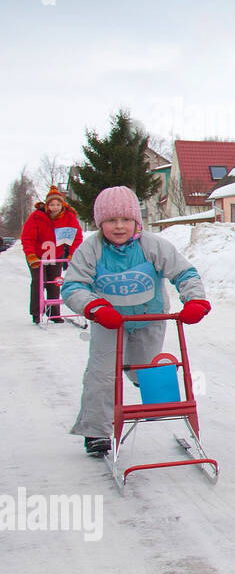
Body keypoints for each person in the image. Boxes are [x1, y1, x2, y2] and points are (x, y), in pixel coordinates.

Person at [60, 186, 210, 456]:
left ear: (136, 221)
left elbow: (185, 272)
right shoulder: (90, 249)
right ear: (100, 223)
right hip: (108, 320)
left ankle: (165, 410)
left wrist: (195, 300)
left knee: (146, 370)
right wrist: (93, 307)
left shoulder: (152, 245)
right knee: (102, 374)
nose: (119, 227)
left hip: (149, 319)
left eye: (125, 220)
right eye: (111, 221)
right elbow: (73, 286)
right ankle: (96, 431)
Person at [21, 186, 83, 324]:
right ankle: (36, 313)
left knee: (55, 282)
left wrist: (71, 254)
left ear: (62, 205)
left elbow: (76, 237)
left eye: (58, 204)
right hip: (37, 256)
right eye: (52, 204)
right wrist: (31, 254)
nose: (55, 207)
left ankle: (54, 313)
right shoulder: (37, 216)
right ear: (47, 205)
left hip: (56, 255)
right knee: (39, 281)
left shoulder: (68, 217)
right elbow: (27, 237)